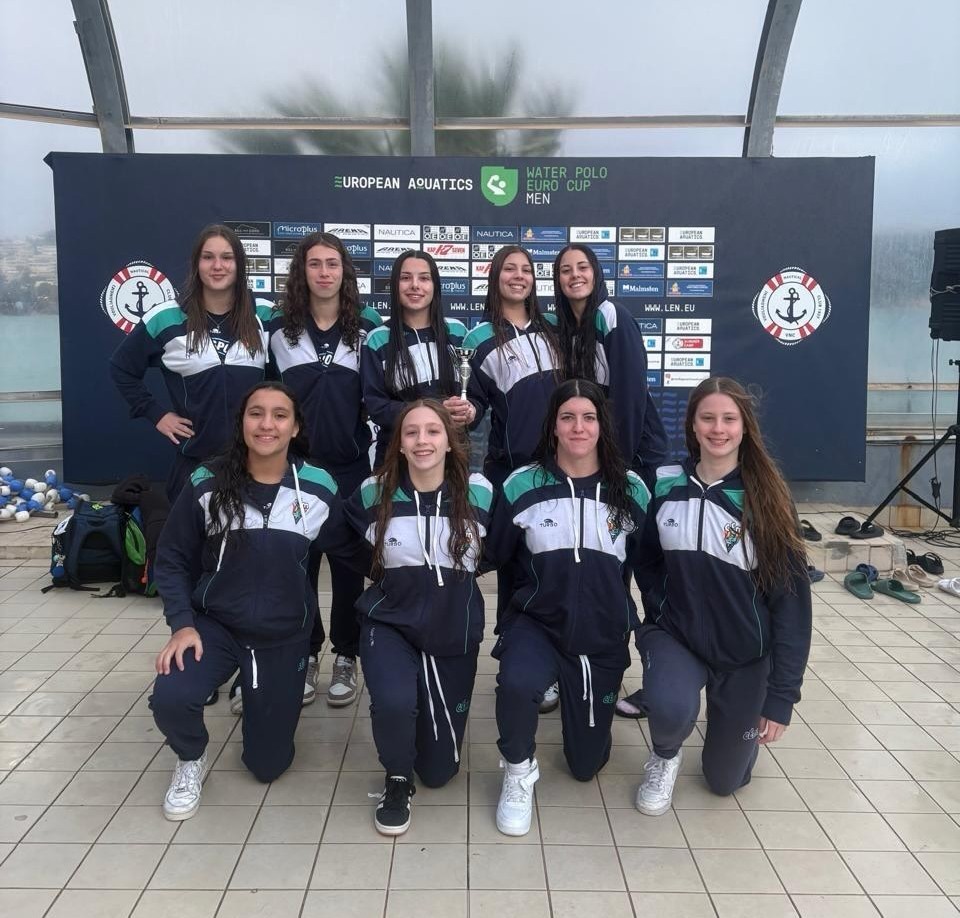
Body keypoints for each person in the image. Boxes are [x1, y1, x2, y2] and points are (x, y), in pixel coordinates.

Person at [150, 382, 360, 821]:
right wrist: (182, 624)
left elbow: (351, 549)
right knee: (171, 695)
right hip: (215, 626)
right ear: (242, 422)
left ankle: (257, 691)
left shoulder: (317, 485)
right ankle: (189, 757)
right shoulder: (207, 481)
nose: (267, 424)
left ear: (295, 427)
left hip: (283, 633)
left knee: (267, 766)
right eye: (256, 413)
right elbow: (171, 557)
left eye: (280, 415)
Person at [633, 376, 812, 815]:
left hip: (745, 654)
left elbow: (792, 605)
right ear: (692, 425)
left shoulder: (766, 499)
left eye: (729, 419)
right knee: (670, 707)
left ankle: (734, 731)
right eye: (707, 418)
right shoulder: (665, 484)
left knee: (724, 781)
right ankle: (665, 756)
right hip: (678, 636)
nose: (718, 429)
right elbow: (646, 558)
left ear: (745, 427)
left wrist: (781, 698)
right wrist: (660, 607)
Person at [486, 379, 650, 836]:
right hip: (537, 624)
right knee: (517, 684)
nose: (578, 427)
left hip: (601, 632)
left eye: (588, 417)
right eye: (568, 417)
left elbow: (649, 564)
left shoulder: (631, 489)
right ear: (553, 426)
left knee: (585, 765)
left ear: (602, 425)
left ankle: (586, 720)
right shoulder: (522, 484)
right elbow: (494, 554)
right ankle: (518, 770)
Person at [344, 399, 492, 836]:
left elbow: (501, 547)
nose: (422, 440)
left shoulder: (479, 491)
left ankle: (425, 751)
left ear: (449, 442)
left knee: (439, 772)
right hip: (390, 620)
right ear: (400, 444)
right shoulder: (374, 491)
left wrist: (454, 579)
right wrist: (383, 573)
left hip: (452, 627)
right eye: (411, 432)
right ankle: (396, 778)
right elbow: (342, 538)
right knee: (394, 703)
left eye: (432, 431)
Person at [262, 231, 382, 709]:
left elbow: (380, 394)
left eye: (332, 264)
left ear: (344, 272)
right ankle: (308, 652)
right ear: (302, 271)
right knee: (301, 564)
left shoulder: (367, 326)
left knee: (350, 568)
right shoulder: (278, 327)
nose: (324, 272)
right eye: (315, 264)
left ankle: (346, 655)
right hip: (296, 469)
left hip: (350, 469)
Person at [110, 224, 271, 501]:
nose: (217, 266)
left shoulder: (265, 315)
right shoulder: (166, 317)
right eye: (208, 257)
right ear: (196, 264)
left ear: (240, 265)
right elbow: (121, 367)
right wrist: (155, 413)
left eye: (227, 257)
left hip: (256, 465)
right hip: (194, 465)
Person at [360, 250, 473, 467]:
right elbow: (377, 407)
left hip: (452, 456)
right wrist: (435, 411)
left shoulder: (457, 332)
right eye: (405, 278)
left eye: (424, 278)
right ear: (395, 285)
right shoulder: (377, 340)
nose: (415, 285)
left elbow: (475, 395)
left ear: (435, 285)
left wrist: (469, 411)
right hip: (396, 459)